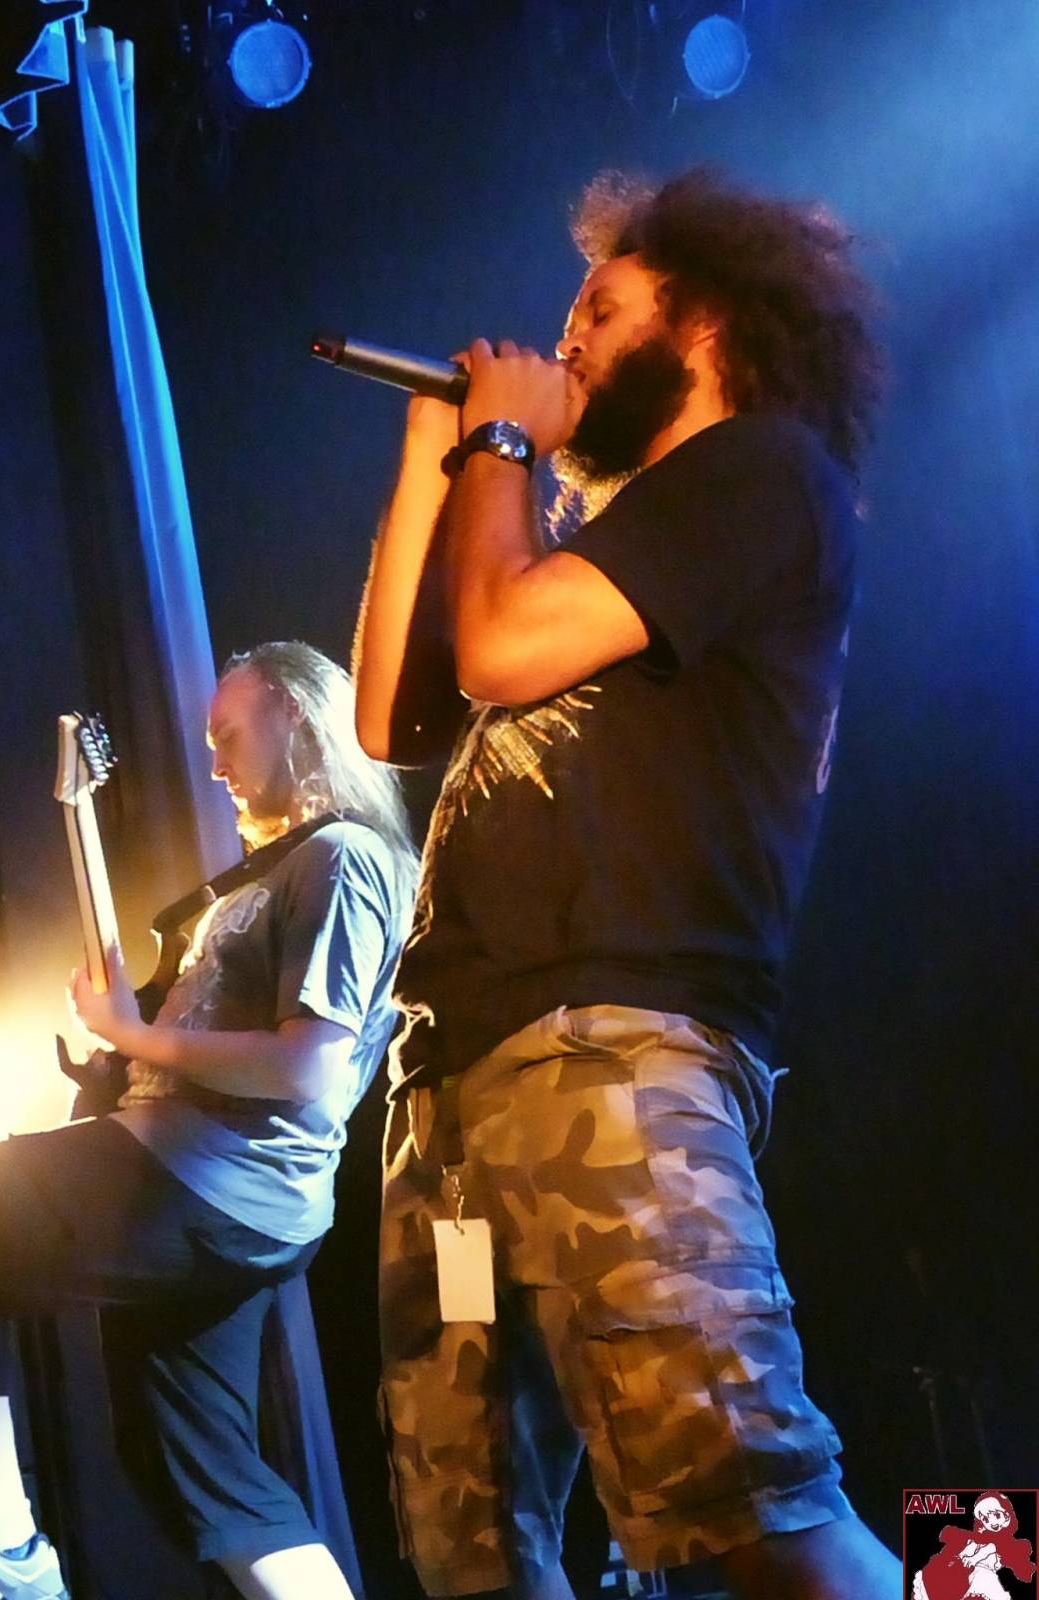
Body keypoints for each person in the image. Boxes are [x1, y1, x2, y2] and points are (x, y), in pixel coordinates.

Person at [354, 168, 899, 1599]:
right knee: (470, 1545)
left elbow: (497, 650)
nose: (569, 340)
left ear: (705, 323)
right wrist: (439, 458)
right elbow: (392, 718)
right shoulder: (586, 542)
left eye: (601, 308)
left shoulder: (761, 473)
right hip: (455, 1086)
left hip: (614, 1050)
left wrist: (504, 448)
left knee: (747, 1503)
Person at [0, 641, 417, 1600]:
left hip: (208, 1179)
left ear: (293, 713)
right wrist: (119, 1060)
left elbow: (308, 1065)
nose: (216, 763)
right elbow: (215, 1044)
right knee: (198, 1472)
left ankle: (8, 1555)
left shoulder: (344, 857)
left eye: (227, 734)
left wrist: (136, 1036)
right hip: (225, 1193)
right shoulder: (272, 873)